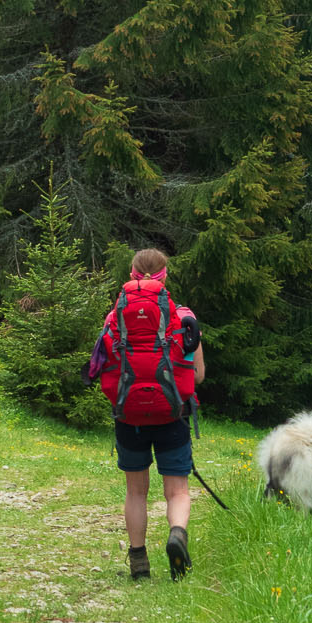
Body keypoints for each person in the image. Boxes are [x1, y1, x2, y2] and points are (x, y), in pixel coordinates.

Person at [88, 247, 205, 582]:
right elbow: (196, 376)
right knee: (177, 490)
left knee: (136, 490)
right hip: (172, 414)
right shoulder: (184, 317)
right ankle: (177, 534)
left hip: (130, 417)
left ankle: (139, 560)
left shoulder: (115, 318)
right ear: (165, 275)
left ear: (131, 273)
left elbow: (102, 367)